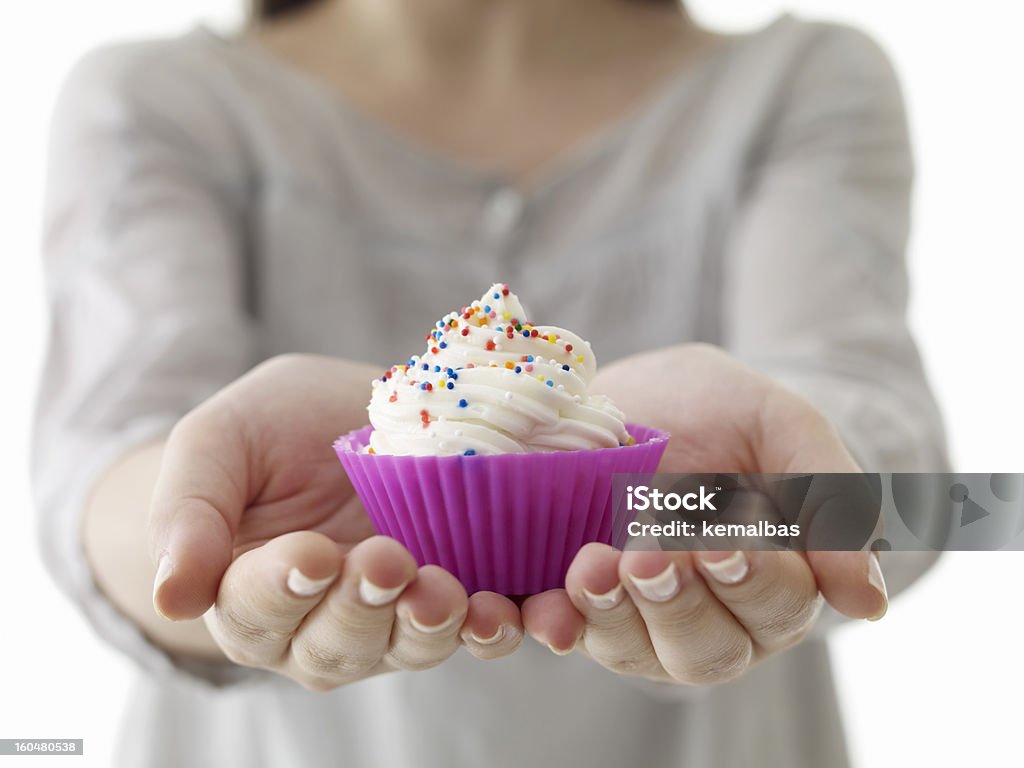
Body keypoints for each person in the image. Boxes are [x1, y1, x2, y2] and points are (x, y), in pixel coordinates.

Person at [32, 0, 948, 766]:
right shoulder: (153, 99)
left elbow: (942, 510)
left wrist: (747, 507)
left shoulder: (810, 79)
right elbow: (89, 488)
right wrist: (206, 536)